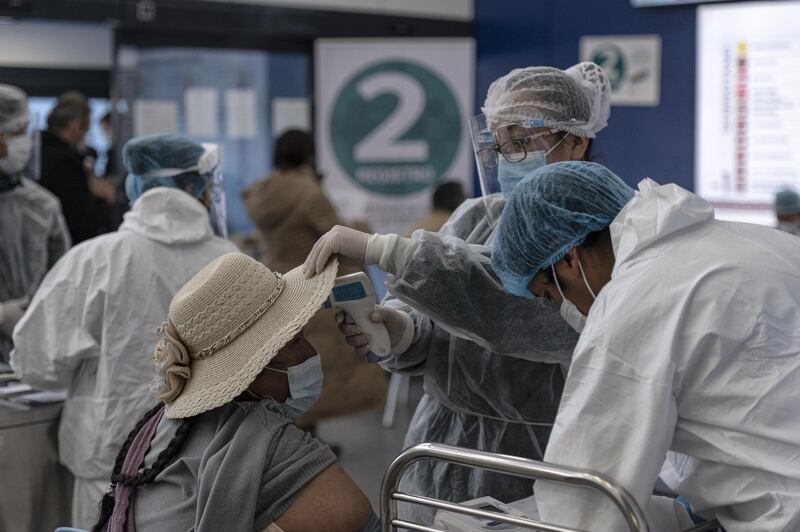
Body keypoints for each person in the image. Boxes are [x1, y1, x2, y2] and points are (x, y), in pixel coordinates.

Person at [303, 62, 611, 517]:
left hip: (539, 463)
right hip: (438, 451)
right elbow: (441, 323)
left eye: (522, 141)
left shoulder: (595, 228)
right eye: (499, 142)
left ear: (577, 140)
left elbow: (513, 308)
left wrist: (385, 249)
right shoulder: (477, 216)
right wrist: (403, 332)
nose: (508, 156)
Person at [491, 161, 800, 531]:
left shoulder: (634, 300)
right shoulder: (763, 242)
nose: (567, 310)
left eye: (549, 295)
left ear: (571, 259)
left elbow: (585, 495)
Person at [11, 134, 237, 529]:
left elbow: (36, 365)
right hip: (207, 465)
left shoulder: (94, 260)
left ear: (135, 185)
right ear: (197, 186)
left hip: (108, 461)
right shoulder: (233, 263)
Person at [92, 252, 377, 532]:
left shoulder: (159, 430)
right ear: (251, 372)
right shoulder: (268, 443)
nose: (311, 353)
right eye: (294, 343)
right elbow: (358, 519)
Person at [242, 129, 386, 429]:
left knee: (286, 367)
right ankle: (308, 443)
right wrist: (361, 225)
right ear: (307, 154)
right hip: (310, 288)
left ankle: (293, 434)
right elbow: (339, 236)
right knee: (315, 365)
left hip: (276, 287)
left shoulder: (262, 193)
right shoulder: (309, 193)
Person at [0, 84, 71, 365]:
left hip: (33, 355)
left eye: (24, 131)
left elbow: (64, 281)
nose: (23, 140)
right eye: (16, 132)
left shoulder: (42, 205)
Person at [39, 92, 114, 244]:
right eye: (86, 128)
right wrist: (104, 200)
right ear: (75, 125)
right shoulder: (66, 162)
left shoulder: (38, 150)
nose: (85, 135)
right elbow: (83, 221)